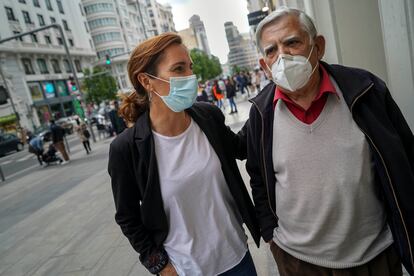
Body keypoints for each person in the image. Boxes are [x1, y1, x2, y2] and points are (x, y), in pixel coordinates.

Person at [246, 7, 413, 276]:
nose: (282, 56)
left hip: (375, 256)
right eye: (271, 50)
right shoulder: (261, 114)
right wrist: (270, 235)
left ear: (318, 46)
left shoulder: (366, 90)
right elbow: (257, 177)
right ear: (265, 66)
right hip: (298, 261)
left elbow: (405, 158)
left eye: (292, 42)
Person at [108, 33, 260, 276]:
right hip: (186, 269)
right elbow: (127, 217)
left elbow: (242, 147)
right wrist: (160, 266)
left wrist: (269, 102)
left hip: (237, 258)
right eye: (178, 69)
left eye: (190, 67)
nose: (190, 77)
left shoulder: (208, 117)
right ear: (147, 81)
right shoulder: (127, 149)